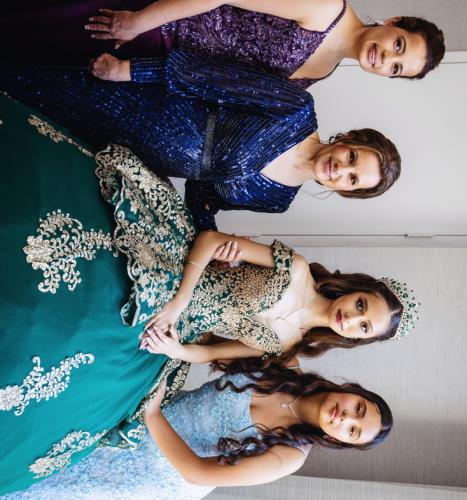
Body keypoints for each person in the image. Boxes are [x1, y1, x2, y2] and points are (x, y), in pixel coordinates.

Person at [0, 95, 414, 494]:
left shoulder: (287, 350)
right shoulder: (297, 269)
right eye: (362, 305)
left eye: (363, 327)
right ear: (357, 290)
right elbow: (212, 240)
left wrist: (177, 350)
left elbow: (211, 353)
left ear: (357, 339)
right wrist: (178, 303)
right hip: (179, 277)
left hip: (178, 332)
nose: (352, 318)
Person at [0, 48, 401, 231]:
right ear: (348, 138)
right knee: (32, 86)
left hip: (130, 159)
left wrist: (208, 230)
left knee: (36, 133)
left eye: (352, 180)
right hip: (141, 106)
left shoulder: (278, 201)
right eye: (352, 158)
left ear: (346, 192)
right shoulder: (297, 109)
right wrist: (129, 71)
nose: (341, 170)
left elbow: (202, 193)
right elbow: (211, 78)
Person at [4, 359, 393, 498]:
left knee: (50, 481)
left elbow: (197, 473)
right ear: (351, 390)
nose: (346, 417)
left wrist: (152, 415)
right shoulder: (286, 366)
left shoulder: (289, 456)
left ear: (339, 441)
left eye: (353, 430)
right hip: (154, 405)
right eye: (358, 408)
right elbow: (219, 344)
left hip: (159, 470)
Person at [1, 0, 445, 86]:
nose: (385, 58)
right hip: (155, 22)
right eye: (399, 45)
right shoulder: (325, 7)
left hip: (154, 61)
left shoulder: (323, 72)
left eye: (396, 68)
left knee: (31, 55)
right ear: (393, 22)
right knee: (28, 23)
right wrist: (138, 21)